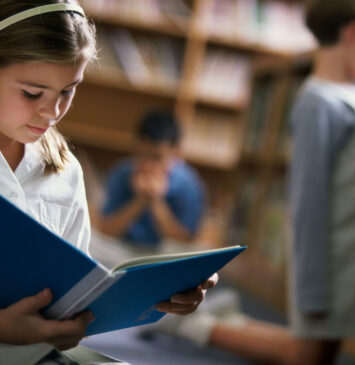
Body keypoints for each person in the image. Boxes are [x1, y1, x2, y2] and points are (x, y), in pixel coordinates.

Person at [0, 2, 217, 364]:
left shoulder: (64, 170)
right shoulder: (120, 175)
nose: (52, 113)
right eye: (33, 93)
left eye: (68, 91)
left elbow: (73, 292)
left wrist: (165, 289)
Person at [151, 0, 355, 364]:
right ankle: (193, 326)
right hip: (335, 258)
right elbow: (307, 203)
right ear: (352, 33)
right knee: (309, 355)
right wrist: (310, 292)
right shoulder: (319, 101)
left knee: (319, 350)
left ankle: (220, 319)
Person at [98, 110, 205, 249]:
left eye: (157, 158)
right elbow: (106, 231)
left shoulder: (189, 185)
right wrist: (140, 201)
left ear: (176, 152)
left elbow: (185, 242)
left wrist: (156, 202)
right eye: (142, 155)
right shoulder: (121, 174)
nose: (147, 165)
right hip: (122, 252)